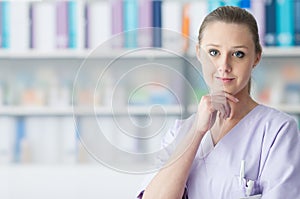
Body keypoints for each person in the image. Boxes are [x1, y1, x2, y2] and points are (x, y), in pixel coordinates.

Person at [137, 6, 300, 199]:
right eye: (214, 53)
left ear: (256, 57)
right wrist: (197, 132)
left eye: (238, 54)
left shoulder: (278, 131)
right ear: (199, 53)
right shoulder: (179, 132)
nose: (224, 66)